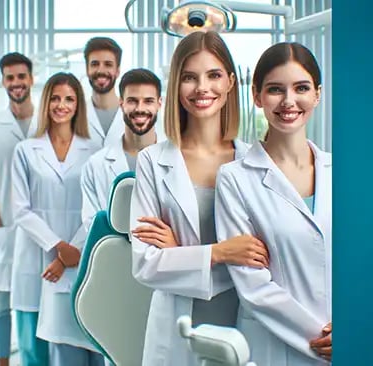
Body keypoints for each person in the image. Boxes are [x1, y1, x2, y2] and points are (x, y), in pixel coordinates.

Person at [129, 31, 269, 366]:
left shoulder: (256, 162)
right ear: (176, 86)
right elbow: (145, 264)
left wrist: (180, 255)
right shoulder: (152, 161)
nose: (202, 88)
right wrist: (221, 252)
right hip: (179, 325)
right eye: (189, 78)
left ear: (231, 82)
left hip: (246, 321)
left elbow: (268, 261)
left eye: (214, 75)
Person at [214, 42, 332, 365]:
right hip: (275, 349)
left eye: (301, 88)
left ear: (318, 95)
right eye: (276, 89)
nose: (289, 101)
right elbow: (253, 287)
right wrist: (323, 338)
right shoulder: (235, 178)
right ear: (257, 96)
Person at [11, 72, 104, 366]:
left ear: (78, 105)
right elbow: (20, 209)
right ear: (46, 101)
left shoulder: (95, 149)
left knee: (70, 345)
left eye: (69, 99)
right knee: (32, 350)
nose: (61, 105)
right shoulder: (25, 150)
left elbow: (97, 207)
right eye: (55, 98)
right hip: (34, 256)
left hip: (77, 256)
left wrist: (69, 252)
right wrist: (56, 245)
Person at [0, 52, 45, 366]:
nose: (16, 83)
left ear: (31, 79)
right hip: (7, 231)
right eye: (10, 78)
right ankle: (2, 361)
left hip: (43, 230)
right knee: (1, 303)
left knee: (40, 303)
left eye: (21, 76)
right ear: (3, 83)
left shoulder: (47, 121)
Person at [80, 68, 163, 227]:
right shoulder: (96, 165)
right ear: (121, 103)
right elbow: (92, 224)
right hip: (112, 251)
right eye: (132, 100)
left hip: (163, 252)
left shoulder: (177, 159)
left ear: (159, 103)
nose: (140, 108)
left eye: (148, 101)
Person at [83, 37, 125, 147]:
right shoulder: (76, 114)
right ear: (87, 70)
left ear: (117, 71)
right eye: (95, 64)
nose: (101, 70)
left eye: (108, 64)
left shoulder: (132, 113)